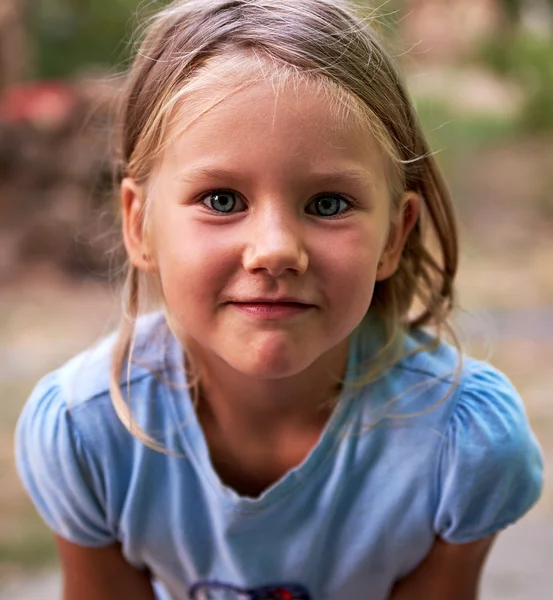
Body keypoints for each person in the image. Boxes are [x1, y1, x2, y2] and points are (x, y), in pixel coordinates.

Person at [15, 1, 543, 599]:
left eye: (328, 204)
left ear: (394, 235)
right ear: (140, 226)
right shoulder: (89, 433)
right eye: (220, 200)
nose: (274, 250)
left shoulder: (462, 449)